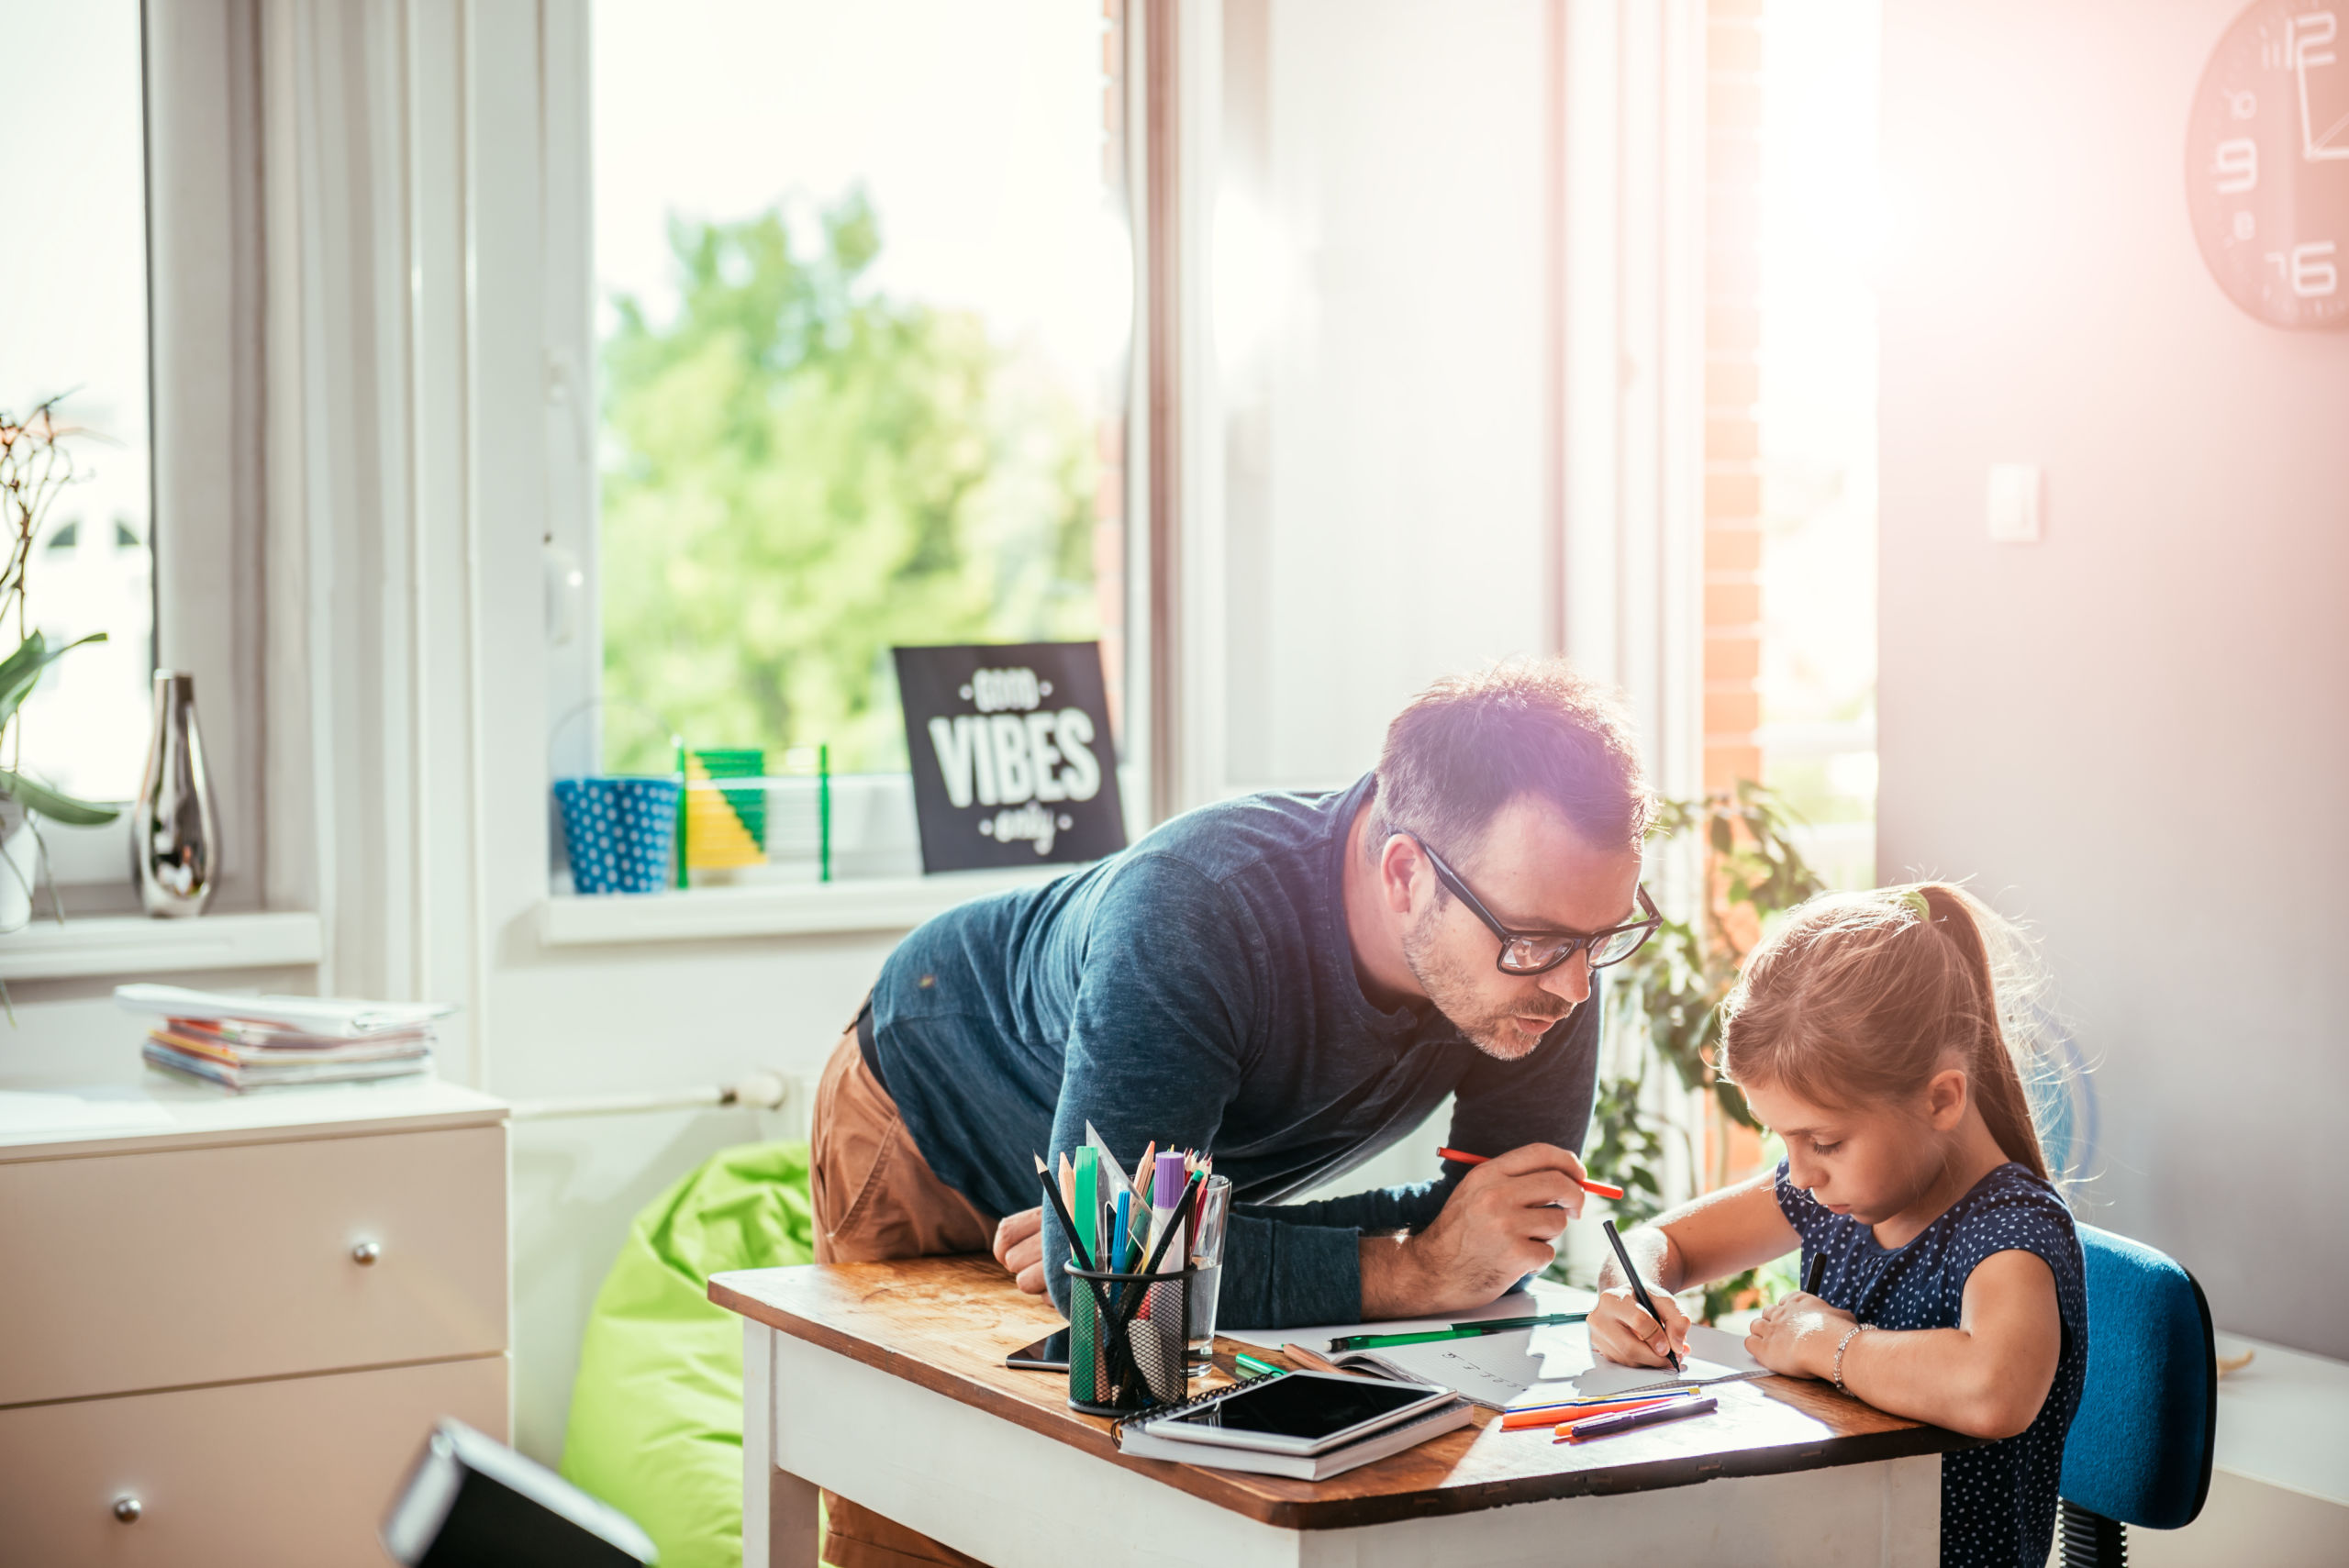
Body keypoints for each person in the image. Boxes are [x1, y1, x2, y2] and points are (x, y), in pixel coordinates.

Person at [807, 659, 1656, 1568]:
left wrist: (1142, 1246)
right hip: (936, 1110)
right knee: (932, 1511)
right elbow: (1125, 1290)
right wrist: (1406, 1272)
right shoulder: (1194, 907)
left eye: (1600, 937)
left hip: (1156, 1177)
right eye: (1535, 943)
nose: (1572, 986)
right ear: (1406, 874)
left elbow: (1485, 1237)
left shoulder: (1544, 946)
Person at [1587, 883, 2086, 1568]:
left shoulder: (2010, 1229)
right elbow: (1660, 1241)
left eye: (1822, 1140)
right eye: (1783, 1140)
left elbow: (1992, 1386)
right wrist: (1631, 1289)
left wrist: (1826, 1342)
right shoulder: (1839, 1192)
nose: (1797, 1174)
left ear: (1941, 1098)